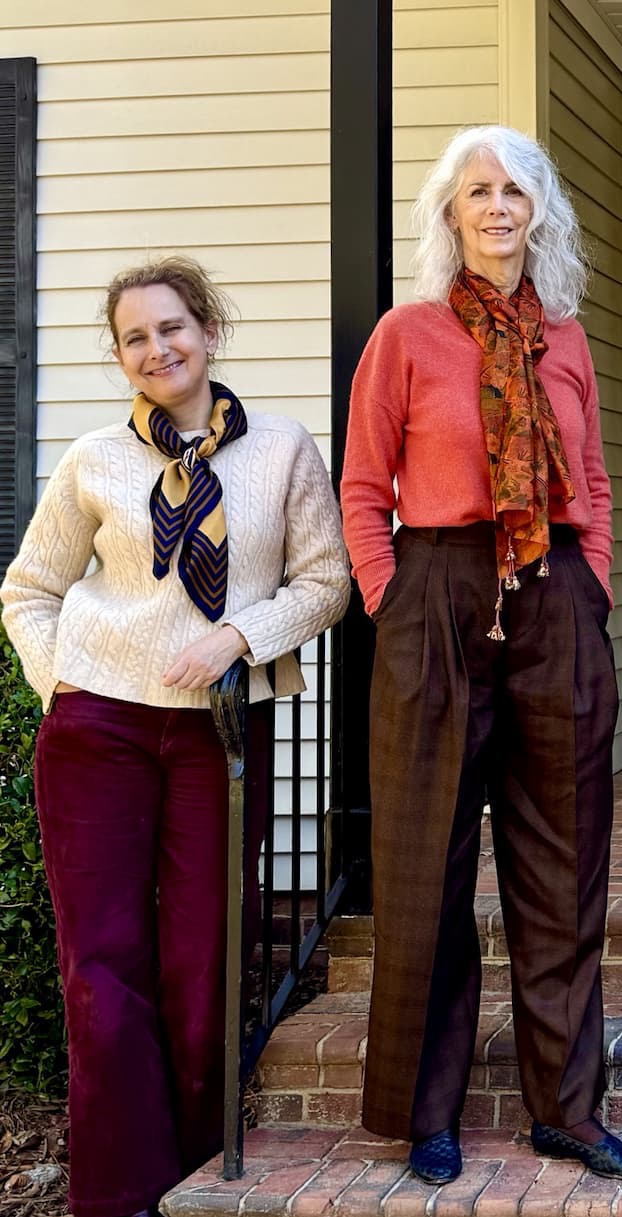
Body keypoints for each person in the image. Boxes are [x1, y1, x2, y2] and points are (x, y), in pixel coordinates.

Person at [0, 256, 350, 1217]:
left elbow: (327, 582)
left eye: (173, 327)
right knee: (101, 963)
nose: (159, 348)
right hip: (97, 729)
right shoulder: (93, 460)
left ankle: (195, 1169)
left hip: (222, 732)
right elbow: (28, 587)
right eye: (136, 338)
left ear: (210, 330)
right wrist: (59, 680)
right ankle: (117, 1191)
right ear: (120, 357)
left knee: (205, 954)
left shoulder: (280, 447)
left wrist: (242, 635)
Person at [340, 125, 622, 1186]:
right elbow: (362, 487)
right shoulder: (407, 333)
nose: (496, 206)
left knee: (563, 865)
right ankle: (429, 1111)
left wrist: (594, 579)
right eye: (477, 190)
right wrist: (392, 600)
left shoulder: (562, 338)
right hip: (435, 590)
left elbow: (597, 484)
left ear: (540, 212)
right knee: (427, 864)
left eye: (515, 190)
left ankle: (566, 1108)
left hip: (555, 596)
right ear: (450, 213)